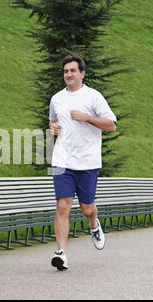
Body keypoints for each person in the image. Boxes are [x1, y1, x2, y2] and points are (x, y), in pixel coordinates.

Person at [48, 54, 117, 271]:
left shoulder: (93, 97)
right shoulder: (56, 98)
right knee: (62, 206)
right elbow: (52, 119)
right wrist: (53, 127)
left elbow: (111, 125)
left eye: (73, 71)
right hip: (62, 161)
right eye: (66, 71)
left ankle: (94, 225)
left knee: (87, 208)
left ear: (82, 73)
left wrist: (87, 117)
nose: (68, 74)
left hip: (87, 162)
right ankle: (61, 253)